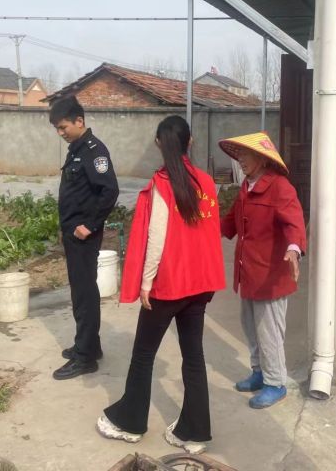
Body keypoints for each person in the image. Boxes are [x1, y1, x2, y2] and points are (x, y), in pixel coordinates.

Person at [96, 115, 226, 454]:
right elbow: (209, 234)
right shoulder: (206, 183)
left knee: (143, 354)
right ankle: (194, 433)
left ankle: (130, 423)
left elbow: (156, 237)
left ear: (158, 144)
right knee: (194, 356)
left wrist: (146, 282)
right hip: (199, 284)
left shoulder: (162, 184)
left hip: (169, 284)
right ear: (190, 142)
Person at [219, 132, 305, 409]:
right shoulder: (247, 186)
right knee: (250, 327)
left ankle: (275, 382)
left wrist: (294, 248)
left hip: (271, 275)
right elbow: (230, 222)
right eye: (239, 155)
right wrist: (203, 228)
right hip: (249, 273)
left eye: (246, 155)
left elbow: (294, 222)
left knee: (269, 332)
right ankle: (259, 372)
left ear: (262, 158)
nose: (241, 160)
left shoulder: (280, 187)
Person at [49, 96, 119, 380]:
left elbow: (109, 191)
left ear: (80, 121)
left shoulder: (94, 150)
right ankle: (90, 345)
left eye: (63, 127)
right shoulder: (77, 149)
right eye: (57, 128)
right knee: (81, 291)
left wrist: (89, 225)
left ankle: (85, 357)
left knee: (84, 294)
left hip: (83, 236)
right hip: (72, 233)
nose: (60, 133)